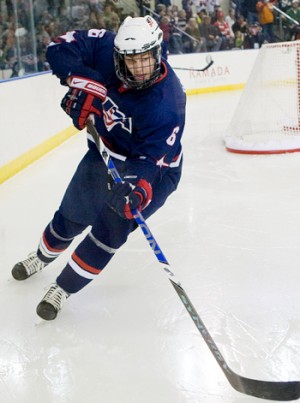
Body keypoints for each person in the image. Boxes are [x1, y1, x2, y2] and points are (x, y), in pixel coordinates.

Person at [11, 15, 186, 321]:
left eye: (147, 59)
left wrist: (138, 188)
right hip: (106, 152)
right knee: (70, 216)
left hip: (154, 171)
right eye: (132, 61)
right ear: (118, 55)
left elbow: (153, 157)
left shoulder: (168, 102)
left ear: (160, 52)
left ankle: (62, 289)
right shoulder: (105, 46)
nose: (139, 68)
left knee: (110, 230)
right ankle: (40, 257)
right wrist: (83, 82)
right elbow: (58, 48)